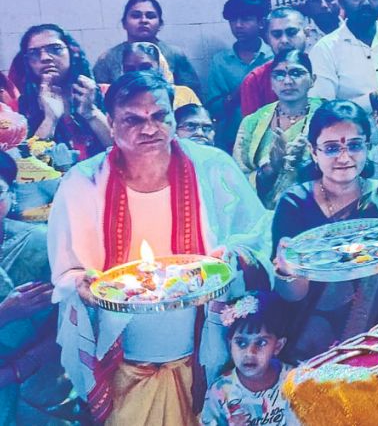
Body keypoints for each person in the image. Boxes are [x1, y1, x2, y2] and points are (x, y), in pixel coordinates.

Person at [48, 71, 271, 424]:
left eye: (159, 116)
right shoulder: (83, 182)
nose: (149, 129)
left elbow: (258, 237)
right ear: (110, 122)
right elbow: (67, 269)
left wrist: (231, 258)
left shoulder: (213, 167)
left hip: (204, 352)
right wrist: (81, 282)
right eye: (133, 120)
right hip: (124, 363)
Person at [271, 100, 378, 364]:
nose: (344, 157)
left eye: (354, 145)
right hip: (312, 346)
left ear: (367, 146)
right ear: (313, 152)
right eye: (331, 148)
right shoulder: (295, 203)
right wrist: (287, 270)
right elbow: (292, 296)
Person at [0, 150, 75, 424]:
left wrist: (19, 370)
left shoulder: (43, 244)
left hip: (40, 377)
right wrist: (6, 313)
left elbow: (70, 320)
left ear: (12, 196)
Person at [234, 51, 321, 209]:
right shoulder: (252, 122)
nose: (287, 81)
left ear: (312, 80)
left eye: (296, 73)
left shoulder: (327, 115)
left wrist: (306, 164)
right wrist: (272, 168)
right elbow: (239, 180)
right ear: (271, 83)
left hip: (319, 210)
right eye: (279, 75)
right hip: (266, 215)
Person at [11, 24, 112, 160]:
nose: (45, 58)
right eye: (34, 53)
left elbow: (127, 152)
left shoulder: (107, 94)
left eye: (55, 49)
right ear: (27, 62)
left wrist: (91, 113)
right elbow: (29, 169)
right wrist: (49, 120)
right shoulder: (19, 109)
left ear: (72, 53)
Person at [201, 292, 294, 426]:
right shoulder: (221, 390)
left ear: (277, 346)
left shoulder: (293, 382)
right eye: (241, 343)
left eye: (261, 343)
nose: (250, 352)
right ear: (230, 344)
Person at [93, 0, 201, 93]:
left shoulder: (174, 54)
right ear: (124, 24)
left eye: (150, 16)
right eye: (136, 16)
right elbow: (98, 98)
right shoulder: (108, 58)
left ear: (160, 24)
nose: (144, 20)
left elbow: (193, 94)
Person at [207, 0, 271, 152]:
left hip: (271, 137)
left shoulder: (274, 58)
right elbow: (214, 109)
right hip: (233, 141)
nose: (238, 25)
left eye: (246, 19)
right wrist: (237, 94)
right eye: (233, 20)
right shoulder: (221, 61)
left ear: (261, 23)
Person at [239, 7, 311, 117]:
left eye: (291, 32)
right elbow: (252, 129)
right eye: (277, 34)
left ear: (307, 33)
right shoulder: (254, 80)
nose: (284, 40)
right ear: (267, 38)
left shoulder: (323, 66)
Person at [116, 41, 203, 108]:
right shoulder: (118, 99)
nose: (138, 73)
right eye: (130, 69)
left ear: (160, 66)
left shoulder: (183, 95)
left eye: (146, 67)